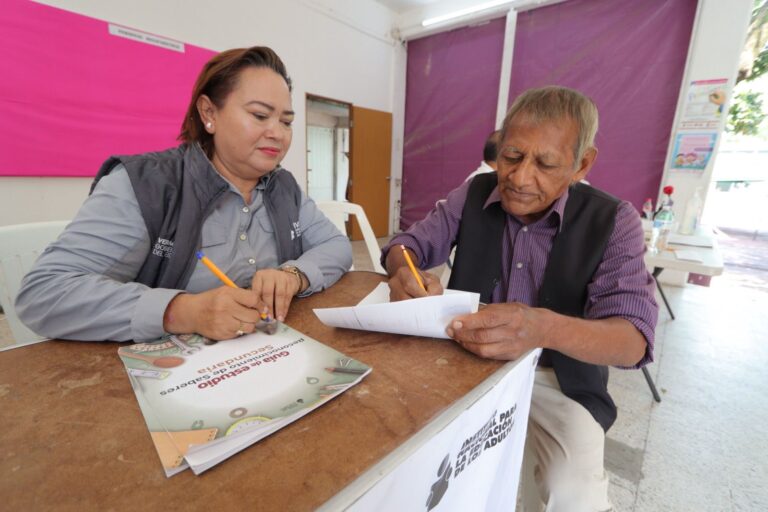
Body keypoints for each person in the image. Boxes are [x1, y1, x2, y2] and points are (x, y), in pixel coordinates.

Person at [383, 86, 658, 511]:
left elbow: (632, 340)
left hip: (558, 379)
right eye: (511, 156)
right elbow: (406, 245)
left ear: (582, 164)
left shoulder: (612, 220)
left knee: (572, 494)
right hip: (465, 363)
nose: (519, 177)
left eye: (545, 164)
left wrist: (542, 328)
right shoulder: (474, 193)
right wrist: (404, 270)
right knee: (412, 466)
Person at [15, 46, 352, 343]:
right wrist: (183, 311)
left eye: (287, 121)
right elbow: (44, 293)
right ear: (209, 113)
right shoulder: (147, 184)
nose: (277, 133)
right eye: (260, 115)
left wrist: (294, 275)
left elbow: (336, 246)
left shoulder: (283, 186)